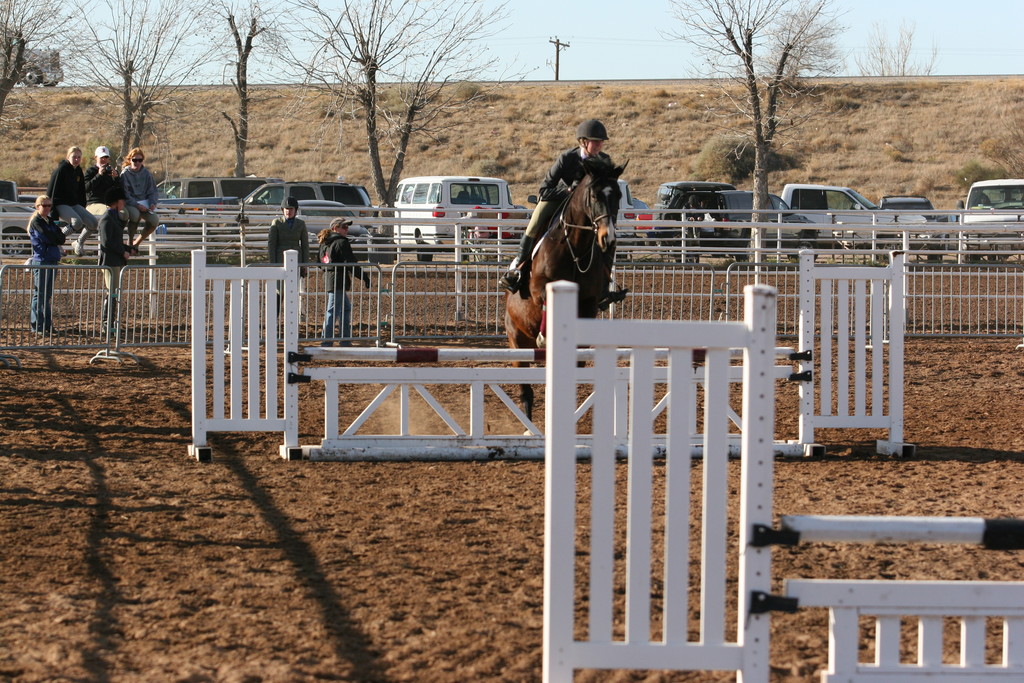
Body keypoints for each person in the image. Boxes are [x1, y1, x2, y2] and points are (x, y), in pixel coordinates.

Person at [498, 119, 625, 307]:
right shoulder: (567, 158)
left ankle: (605, 284)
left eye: (601, 142)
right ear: (583, 142)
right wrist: (568, 191)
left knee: (610, 234)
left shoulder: (603, 160)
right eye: (595, 141)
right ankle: (517, 268)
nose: (599, 145)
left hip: (588, 208)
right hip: (558, 200)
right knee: (535, 222)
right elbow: (544, 189)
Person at [318, 218, 369, 347]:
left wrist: (329, 269)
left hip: (330, 279)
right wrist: (364, 277)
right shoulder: (341, 242)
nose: (347, 230)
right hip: (338, 280)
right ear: (335, 228)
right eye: (344, 227)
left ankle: (342, 339)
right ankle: (327, 341)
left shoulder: (324, 242)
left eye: (347, 227)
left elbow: (320, 262)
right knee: (332, 311)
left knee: (344, 308)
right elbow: (351, 262)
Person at [47, 146, 97, 257]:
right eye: (74, 157)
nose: (76, 159)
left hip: (73, 204)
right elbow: (51, 192)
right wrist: (52, 211)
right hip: (60, 204)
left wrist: (82, 206)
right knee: (76, 222)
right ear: (68, 157)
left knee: (93, 223)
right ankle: (56, 241)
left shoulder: (78, 171)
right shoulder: (61, 170)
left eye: (79, 157)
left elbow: (81, 191)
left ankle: (78, 242)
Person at [27, 195, 66, 333]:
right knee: (40, 293)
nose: (48, 208)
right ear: (38, 207)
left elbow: (61, 237)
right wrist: (54, 238)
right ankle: (37, 325)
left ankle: (47, 325)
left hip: (52, 259)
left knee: (47, 294)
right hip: (42, 260)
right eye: (45, 205)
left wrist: (54, 239)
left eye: (50, 205)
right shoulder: (36, 222)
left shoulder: (49, 221)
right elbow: (46, 237)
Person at [97, 186, 133, 332]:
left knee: (114, 291)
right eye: (122, 200)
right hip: (110, 261)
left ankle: (110, 322)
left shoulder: (114, 218)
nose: (123, 203)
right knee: (111, 292)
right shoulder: (107, 219)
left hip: (115, 260)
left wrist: (128, 249)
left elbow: (115, 242)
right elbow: (107, 243)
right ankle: (107, 324)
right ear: (117, 201)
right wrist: (122, 252)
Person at [78, 146, 125, 256]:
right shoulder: (91, 171)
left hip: (107, 204)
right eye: (101, 158)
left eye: (106, 157)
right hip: (93, 204)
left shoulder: (111, 172)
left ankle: (113, 243)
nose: (104, 160)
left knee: (123, 214)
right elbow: (85, 188)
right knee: (109, 213)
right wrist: (98, 175)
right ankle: (107, 244)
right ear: (96, 158)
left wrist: (116, 178)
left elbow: (118, 191)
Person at [119, 147, 160, 249]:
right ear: (130, 160)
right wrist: (137, 205)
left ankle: (136, 243)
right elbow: (125, 194)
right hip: (131, 203)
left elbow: (152, 191)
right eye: (134, 160)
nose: (137, 162)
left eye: (139, 160)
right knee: (135, 215)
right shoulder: (125, 174)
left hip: (145, 204)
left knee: (154, 221)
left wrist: (152, 203)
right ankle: (130, 241)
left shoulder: (147, 174)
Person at [268, 195, 310, 265]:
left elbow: (305, 245)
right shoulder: (277, 222)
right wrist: (272, 263)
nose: (288, 211)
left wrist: (305, 264)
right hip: (281, 259)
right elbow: (271, 244)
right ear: (283, 210)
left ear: (295, 210)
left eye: (291, 209)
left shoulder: (301, 224)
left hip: (297, 258)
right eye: (286, 209)